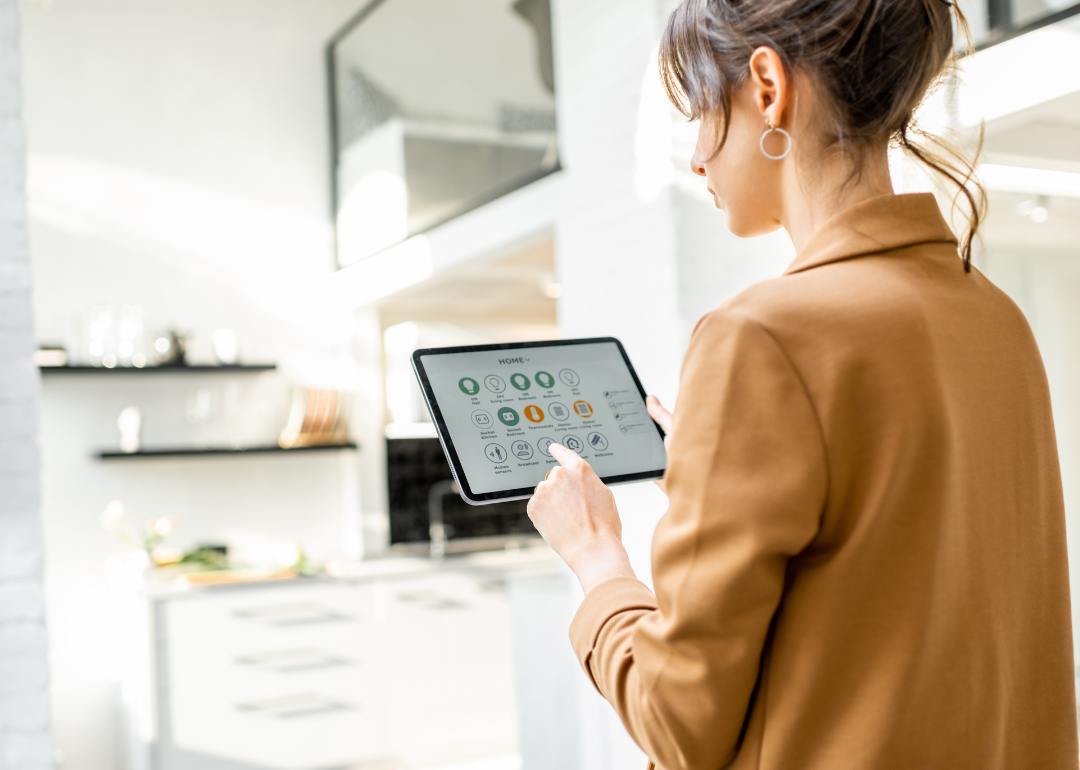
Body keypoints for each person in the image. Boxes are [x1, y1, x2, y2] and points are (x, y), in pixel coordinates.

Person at [526, 0, 1080, 767]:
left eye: (697, 113)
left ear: (766, 86)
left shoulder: (759, 336)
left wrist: (597, 557)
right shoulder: (998, 319)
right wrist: (718, 487)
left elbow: (678, 719)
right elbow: (891, 595)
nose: (695, 158)